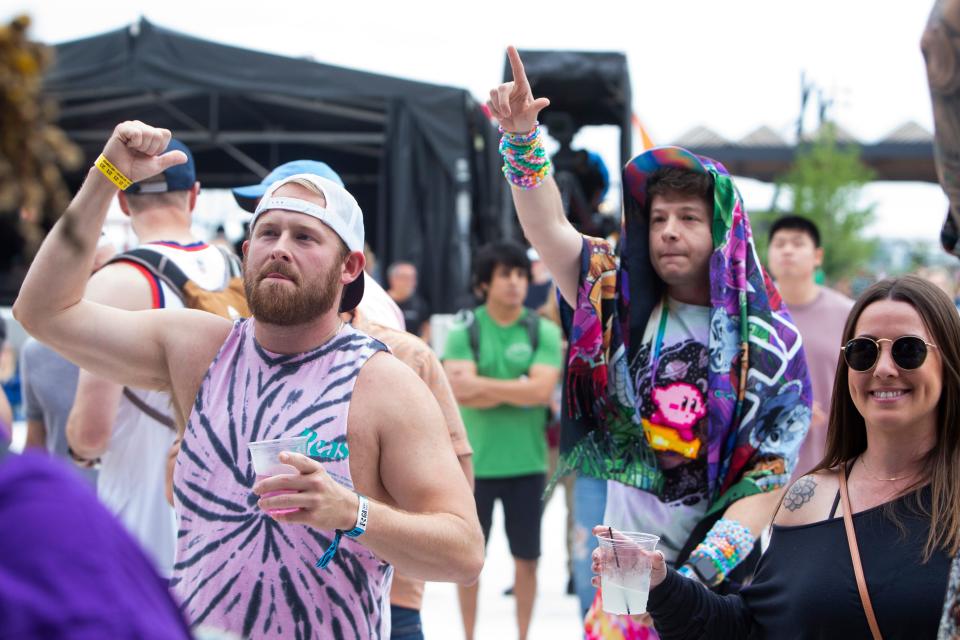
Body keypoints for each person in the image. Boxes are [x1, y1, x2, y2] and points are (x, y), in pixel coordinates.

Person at [13, 121, 483, 639]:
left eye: (304, 237)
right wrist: (106, 178)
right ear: (245, 255)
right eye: (267, 233)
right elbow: (42, 312)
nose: (280, 247)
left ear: (350, 267)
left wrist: (351, 511)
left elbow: (464, 552)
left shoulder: (383, 382)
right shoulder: (197, 347)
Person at [487, 47, 812, 636]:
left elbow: (766, 480)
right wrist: (521, 139)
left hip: (714, 596)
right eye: (658, 217)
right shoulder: (615, 294)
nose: (668, 231)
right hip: (620, 595)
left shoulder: (769, 342)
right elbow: (548, 230)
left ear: (721, 231)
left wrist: (685, 582)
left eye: (688, 218)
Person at [600, 275, 957, 638]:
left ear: (948, 362)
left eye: (908, 350)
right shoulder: (810, 499)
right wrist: (662, 584)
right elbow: (751, 627)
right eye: (863, 351)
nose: (883, 368)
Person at [64, 138, 237, 577]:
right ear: (194, 195)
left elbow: (91, 433)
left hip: (141, 540)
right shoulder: (238, 272)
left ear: (123, 201)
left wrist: (75, 449)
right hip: (229, 538)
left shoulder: (117, 283)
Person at [443, 240, 563, 640]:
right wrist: (519, 386)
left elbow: (541, 391)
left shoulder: (541, 329)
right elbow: (456, 391)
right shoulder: (465, 329)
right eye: (504, 275)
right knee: (469, 561)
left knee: (527, 560)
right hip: (473, 465)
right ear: (484, 284)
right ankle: (468, 635)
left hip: (528, 464)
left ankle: (523, 635)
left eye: (519, 274)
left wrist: (483, 387)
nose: (514, 283)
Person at [18, 235, 117, 482]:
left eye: (103, 270)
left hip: (126, 506)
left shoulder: (141, 342)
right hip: (65, 502)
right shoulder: (36, 351)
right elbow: (35, 443)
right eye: (81, 269)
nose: (94, 281)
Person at [767, 215, 854, 479]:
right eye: (779, 243)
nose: (788, 250)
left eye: (797, 243)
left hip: (833, 462)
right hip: (765, 467)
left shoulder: (847, 313)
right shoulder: (753, 313)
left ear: (817, 256)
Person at [387, 261, 430, 337]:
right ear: (393, 279)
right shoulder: (383, 301)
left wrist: (421, 343)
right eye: (405, 278)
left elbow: (426, 327)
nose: (409, 282)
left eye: (412, 278)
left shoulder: (419, 304)